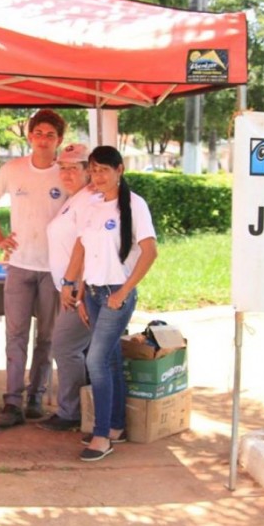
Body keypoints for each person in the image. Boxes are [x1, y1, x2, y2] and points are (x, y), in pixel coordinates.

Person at [61, 145, 157, 462]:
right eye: (94, 169)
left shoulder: (134, 205)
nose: (98, 175)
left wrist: (124, 291)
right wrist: (72, 285)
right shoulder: (92, 205)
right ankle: (115, 425)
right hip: (94, 292)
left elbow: (150, 252)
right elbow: (81, 248)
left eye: (105, 169)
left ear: (120, 170)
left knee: (96, 361)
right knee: (110, 359)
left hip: (117, 293)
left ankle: (102, 437)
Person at [0, 109, 66, 427]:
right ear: (29, 137)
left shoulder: (66, 173)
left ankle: (36, 399)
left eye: (50, 135)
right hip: (18, 266)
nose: (43, 140)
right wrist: (0, 237)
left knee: (47, 337)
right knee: (15, 335)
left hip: (53, 270)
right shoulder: (14, 169)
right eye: (38, 133)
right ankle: (12, 403)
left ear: (59, 140)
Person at [38, 143, 95, 432]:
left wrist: (75, 285)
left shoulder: (89, 201)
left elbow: (86, 246)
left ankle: (71, 412)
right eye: (63, 167)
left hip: (80, 291)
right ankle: (83, 410)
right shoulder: (74, 199)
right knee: (77, 350)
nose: (67, 173)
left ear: (89, 170)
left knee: (65, 346)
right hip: (68, 288)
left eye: (74, 167)